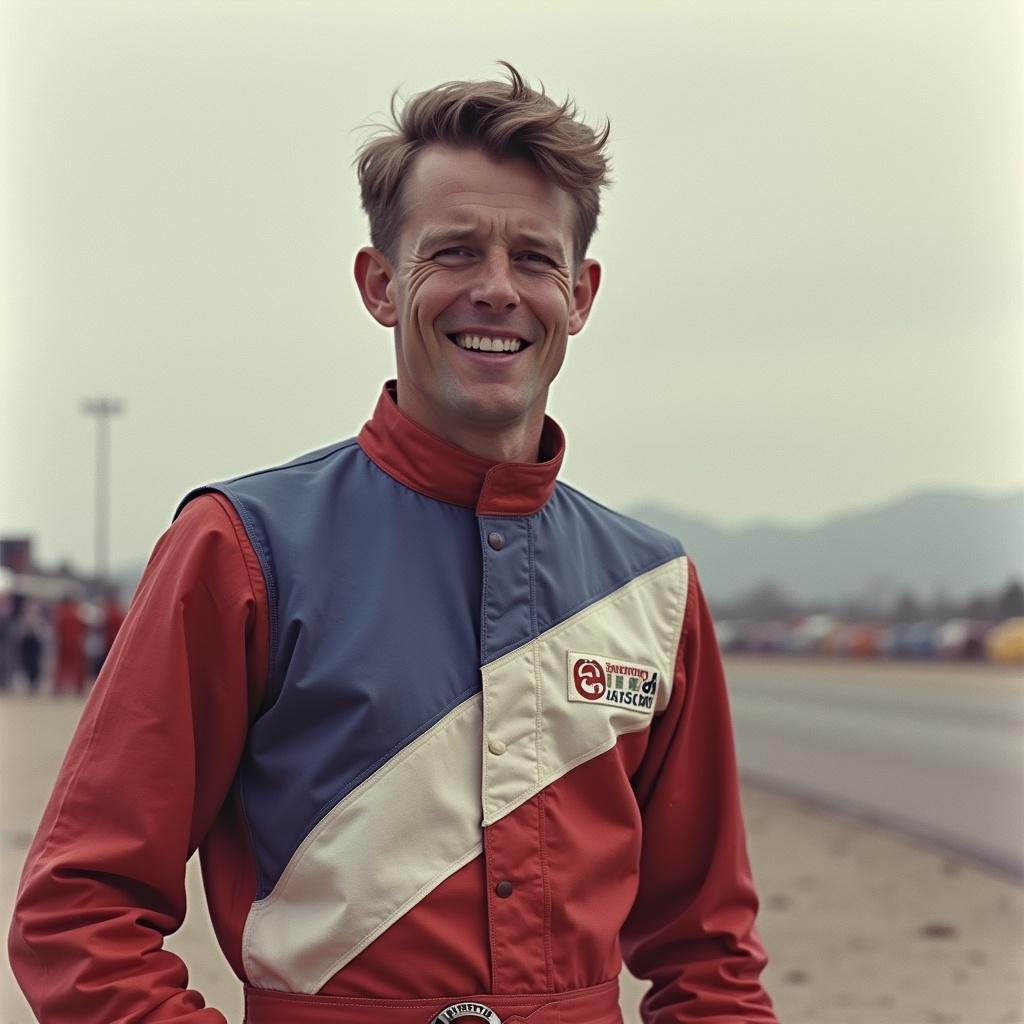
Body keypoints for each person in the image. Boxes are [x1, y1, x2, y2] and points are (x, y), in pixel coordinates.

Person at [9, 64, 777, 1024]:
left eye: (534, 259)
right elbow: (78, 913)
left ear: (580, 295)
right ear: (379, 283)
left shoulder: (654, 588)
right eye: (453, 252)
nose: (497, 290)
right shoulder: (241, 551)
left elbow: (709, 957)